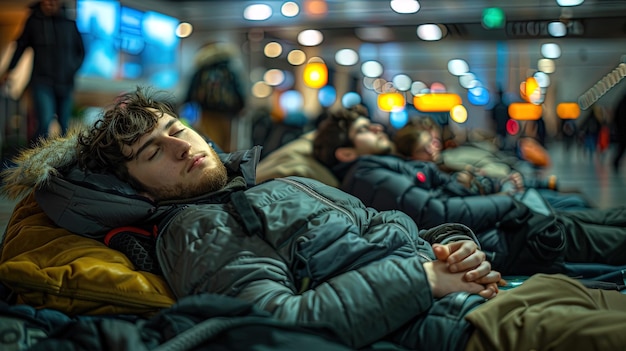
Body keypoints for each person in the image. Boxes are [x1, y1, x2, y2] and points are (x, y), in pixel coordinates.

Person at [3, 86, 626, 350]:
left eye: (175, 128)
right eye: (151, 152)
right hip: (465, 329)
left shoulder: (271, 186)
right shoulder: (195, 229)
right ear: (133, 186)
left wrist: (451, 249)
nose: (181, 145)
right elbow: (278, 322)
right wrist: (426, 278)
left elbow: (395, 230)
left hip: (496, 294)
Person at [313, 107, 626, 276]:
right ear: (346, 153)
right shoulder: (368, 175)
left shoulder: (385, 167)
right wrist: (504, 201)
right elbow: (438, 213)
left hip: (512, 229)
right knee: (612, 239)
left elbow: (446, 193)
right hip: (509, 238)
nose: (378, 127)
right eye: (363, 130)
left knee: (610, 221)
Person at [393, 115, 591, 210]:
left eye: (434, 140)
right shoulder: (440, 170)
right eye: (426, 144)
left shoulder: (450, 159)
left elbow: (497, 172)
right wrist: (503, 192)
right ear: (412, 153)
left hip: (514, 193)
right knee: (577, 204)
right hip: (510, 203)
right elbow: (479, 195)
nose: (433, 146)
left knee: (578, 202)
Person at [0, 0, 85, 144]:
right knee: (44, 124)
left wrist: (72, 68)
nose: (49, 3)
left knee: (64, 126)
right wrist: (9, 70)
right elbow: (21, 46)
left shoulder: (69, 23)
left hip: (65, 83)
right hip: (42, 82)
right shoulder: (34, 21)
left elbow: (81, 51)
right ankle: (35, 162)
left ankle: (63, 163)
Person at [612, 92, 626, 172]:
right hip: (623, 130)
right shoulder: (623, 104)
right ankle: (616, 162)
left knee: (621, 148)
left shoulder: (620, 103)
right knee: (621, 148)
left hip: (622, 131)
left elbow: (616, 118)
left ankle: (616, 162)